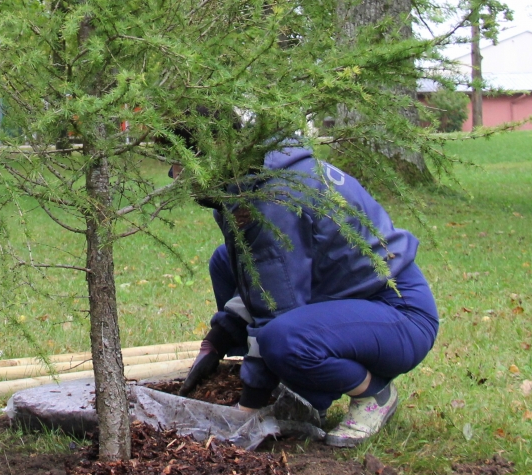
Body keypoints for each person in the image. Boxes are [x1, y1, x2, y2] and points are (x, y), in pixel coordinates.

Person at [186, 141, 437, 447]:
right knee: (224, 261)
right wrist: (218, 340)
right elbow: (253, 270)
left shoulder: (268, 199)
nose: (178, 177)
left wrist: (246, 410)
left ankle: (373, 394)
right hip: (344, 298)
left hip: (397, 313)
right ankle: (283, 382)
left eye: (180, 166)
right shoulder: (257, 171)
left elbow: (271, 305)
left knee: (283, 339)